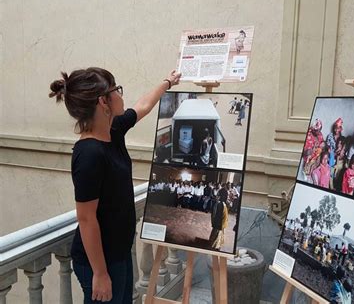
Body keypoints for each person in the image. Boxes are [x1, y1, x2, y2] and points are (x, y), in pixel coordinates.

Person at [49, 67, 180, 303]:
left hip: (119, 252)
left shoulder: (113, 130)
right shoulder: (89, 153)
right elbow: (86, 218)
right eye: (116, 90)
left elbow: (142, 106)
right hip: (100, 261)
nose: (121, 94)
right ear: (103, 101)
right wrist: (99, 273)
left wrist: (167, 82)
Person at [209, 184, 229, 250]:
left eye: (218, 195)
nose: (216, 196)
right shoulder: (223, 204)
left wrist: (214, 223)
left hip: (219, 224)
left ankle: (215, 245)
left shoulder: (219, 205)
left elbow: (216, 216)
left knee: (217, 234)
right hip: (221, 223)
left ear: (220, 196)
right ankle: (216, 244)